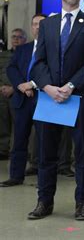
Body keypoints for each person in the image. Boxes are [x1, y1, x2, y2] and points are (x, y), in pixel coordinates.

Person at [28, 0, 84, 221]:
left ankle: (81, 203)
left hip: (78, 97)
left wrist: (70, 85)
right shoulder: (47, 25)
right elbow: (38, 61)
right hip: (49, 97)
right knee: (46, 153)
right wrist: (48, 87)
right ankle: (44, 202)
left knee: (82, 155)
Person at [0, 14, 46, 187]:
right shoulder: (23, 49)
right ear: (31, 27)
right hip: (21, 101)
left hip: (42, 100)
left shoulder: (52, 49)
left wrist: (32, 85)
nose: (37, 28)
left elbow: (50, 72)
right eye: (34, 24)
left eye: (41, 25)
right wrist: (20, 85)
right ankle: (16, 176)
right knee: (19, 140)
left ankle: (43, 178)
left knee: (43, 142)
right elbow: (11, 68)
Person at [0, 28, 27, 159]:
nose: (16, 39)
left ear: (25, 40)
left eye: (19, 37)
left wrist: (13, 88)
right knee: (2, 124)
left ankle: (15, 151)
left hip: (18, 93)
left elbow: (26, 76)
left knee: (18, 125)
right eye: (14, 37)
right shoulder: (3, 55)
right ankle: (3, 150)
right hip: (2, 94)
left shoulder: (27, 55)